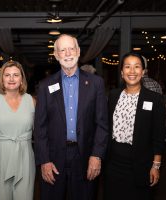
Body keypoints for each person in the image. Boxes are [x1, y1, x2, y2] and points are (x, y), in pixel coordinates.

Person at [34, 34, 109, 200]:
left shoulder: (96, 83)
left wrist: (97, 155)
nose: (68, 53)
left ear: (78, 51)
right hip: (53, 158)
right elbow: (40, 127)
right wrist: (44, 160)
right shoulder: (45, 85)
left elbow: (102, 124)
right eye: (62, 50)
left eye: (71, 48)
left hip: (85, 156)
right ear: (56, 55)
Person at [104, 52, 166, 200]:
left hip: (140, 165)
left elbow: (159, 136)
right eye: (127, 67)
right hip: (113, 164)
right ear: (121, 72)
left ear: (143, 72)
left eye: (137, 67)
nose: (132, 71)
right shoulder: (113, 95)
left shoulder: (154, 99)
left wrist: (156, 166)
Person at [0, 60, 35, 200]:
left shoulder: (32, 101)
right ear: (2, 78)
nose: (11, 79)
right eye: (7, 75)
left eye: (16, 75)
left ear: (22, 79)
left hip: (24, 157)